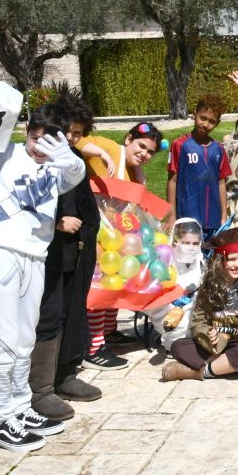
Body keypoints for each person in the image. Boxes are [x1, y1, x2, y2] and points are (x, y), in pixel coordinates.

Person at [0, 101, 85, 451]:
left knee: (25, 339)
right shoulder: (5, 154)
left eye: (48, 142)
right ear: (27, 130)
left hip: (34, 256)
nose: (38, 147)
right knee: (5, 339)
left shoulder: (57, 166)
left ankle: (19, 407)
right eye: (35, 138)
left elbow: (75, 172)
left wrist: (63, 154)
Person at [30, 93, 104, 422]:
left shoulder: (74, 158)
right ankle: (41, 388)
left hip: (76, 251)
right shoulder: (33, 161)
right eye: (68, 132)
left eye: (76, 134)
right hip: (49, 252)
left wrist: (91, 236)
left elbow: (83, 198)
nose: (72, 139)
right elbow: (29, 202)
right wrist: (57, 222)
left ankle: (65, 373)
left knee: (72, 313)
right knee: (49, 316)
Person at [76, 122, 165, 371]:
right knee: (100, 286)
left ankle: (109, 332)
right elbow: (78, 141)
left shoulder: (132, 169)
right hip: (99, 233)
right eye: (141, 146)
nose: (144, 154)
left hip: (115, 236)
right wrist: (102, 153)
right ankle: (94, 348)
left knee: (116, 281)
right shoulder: (110, 147)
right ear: (128, 139)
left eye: (149, 152)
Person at [161, 229, 238, 381]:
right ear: (221, 260)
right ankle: (234, 366)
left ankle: (198, 372)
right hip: (219, 341)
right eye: (232, 259)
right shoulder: (209, 286)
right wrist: (207, 336)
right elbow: (199, 321)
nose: (237, 265)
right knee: (178, 346)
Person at [166, 95, 231, 237]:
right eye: (203, 118)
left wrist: (223, 216)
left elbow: (221, 183)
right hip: (188, 216)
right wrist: (171, 215)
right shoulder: (179, 145)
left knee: (211, 256)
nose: (206, 124)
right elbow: (172, 181)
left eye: (212, 121)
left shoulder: (219, 149)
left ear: (218, 123)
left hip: (213, 218)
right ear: (194, 113)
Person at [145, 218, 206, 354]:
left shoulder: (200, 261)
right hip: (166, 310)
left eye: (195, 243)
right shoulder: (165, 260)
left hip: (192, 309)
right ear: (175, 241)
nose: (191, 248)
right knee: (178, 337)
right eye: (186, 243)